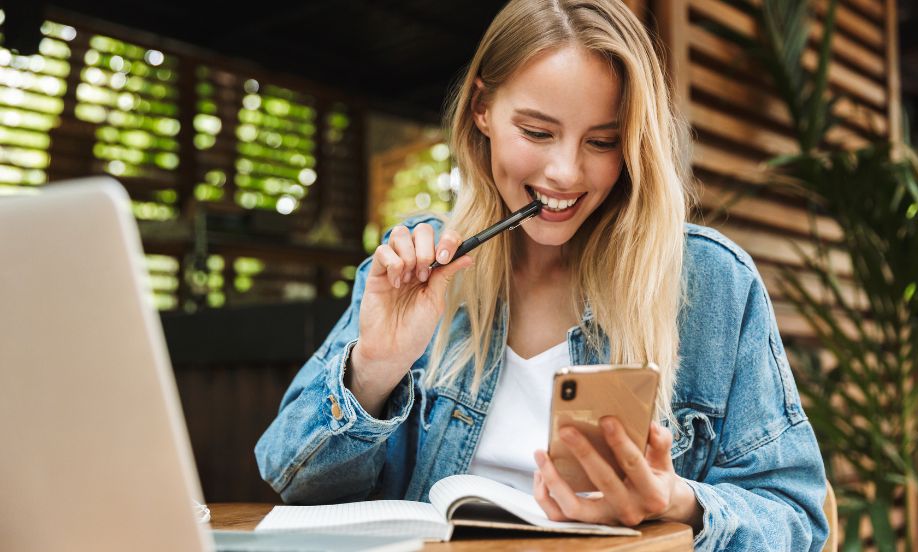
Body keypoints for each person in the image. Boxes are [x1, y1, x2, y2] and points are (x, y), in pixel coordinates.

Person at [255, 0, 829, 549]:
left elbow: (798, 519)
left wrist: (676, 502)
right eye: (536, 132)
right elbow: (292, 478)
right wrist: (374, 370)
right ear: (482, 108)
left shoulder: (710, 282)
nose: (565, 173)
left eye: (603, 141)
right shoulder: (416, 265)